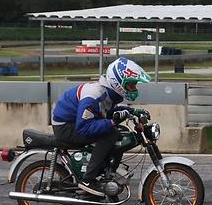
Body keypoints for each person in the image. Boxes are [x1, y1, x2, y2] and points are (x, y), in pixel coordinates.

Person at [52, 57, 151, 197]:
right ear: (118, 83)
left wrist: (132, 111)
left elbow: (108, 111)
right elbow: (83, 127)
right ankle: (87, 180)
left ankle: (107, 173)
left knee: (119, 132)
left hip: (74, 122)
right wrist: (112, 122)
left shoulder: (107, 93)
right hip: (65, 127)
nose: (134, 89)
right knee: (110, 134)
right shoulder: (92, 97)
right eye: (131, 85)